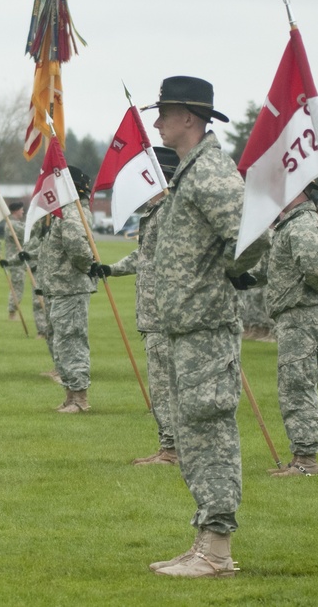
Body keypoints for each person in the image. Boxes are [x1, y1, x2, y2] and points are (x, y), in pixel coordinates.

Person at [145, 76, 269, 578]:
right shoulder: (191, 174)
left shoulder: (211, 173)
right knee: (195, 434)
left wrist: (229, 275)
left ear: (189, 119)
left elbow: (252, 232)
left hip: (206, 328)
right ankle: (204, 542)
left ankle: (217, 550)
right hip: (187, 328)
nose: (157, 123)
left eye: (165, 113)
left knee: (209, 432)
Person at [100, 147, 181, 465]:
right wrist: (112, 269)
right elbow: (145, 258)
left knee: (165, 387)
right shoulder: (157, 214)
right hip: (154, 316)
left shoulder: (171, 213)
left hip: (165, 316)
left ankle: (172, 450)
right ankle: (170, 446)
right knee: (162, 385)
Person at [257, 181, 318, 476]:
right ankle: (301, 456)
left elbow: (315, 272)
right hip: (296, 315)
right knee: (293, 385)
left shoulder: (301, 224)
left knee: (297, 387)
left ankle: (306, 461)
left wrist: (300, 295)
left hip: (302, 315)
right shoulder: (292, 223)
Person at [21, 166, 97, 413]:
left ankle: (80, 399)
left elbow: (78, 249)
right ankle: (70, 395)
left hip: (70, 289)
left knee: (72, 342)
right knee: (61, 343)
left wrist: (86, 268)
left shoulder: (72, 214)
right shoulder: (62, 213)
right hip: (59, 290)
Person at [2, 202, 27, 321]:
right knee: (17, 287)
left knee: (18, 286)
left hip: (19, 259)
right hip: (15, 260)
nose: (23, 212)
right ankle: (12, 313)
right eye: (21, 209)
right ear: (16, 210)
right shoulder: (12, 224)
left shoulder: (15, 224)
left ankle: (13, 311)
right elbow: (27, 233)